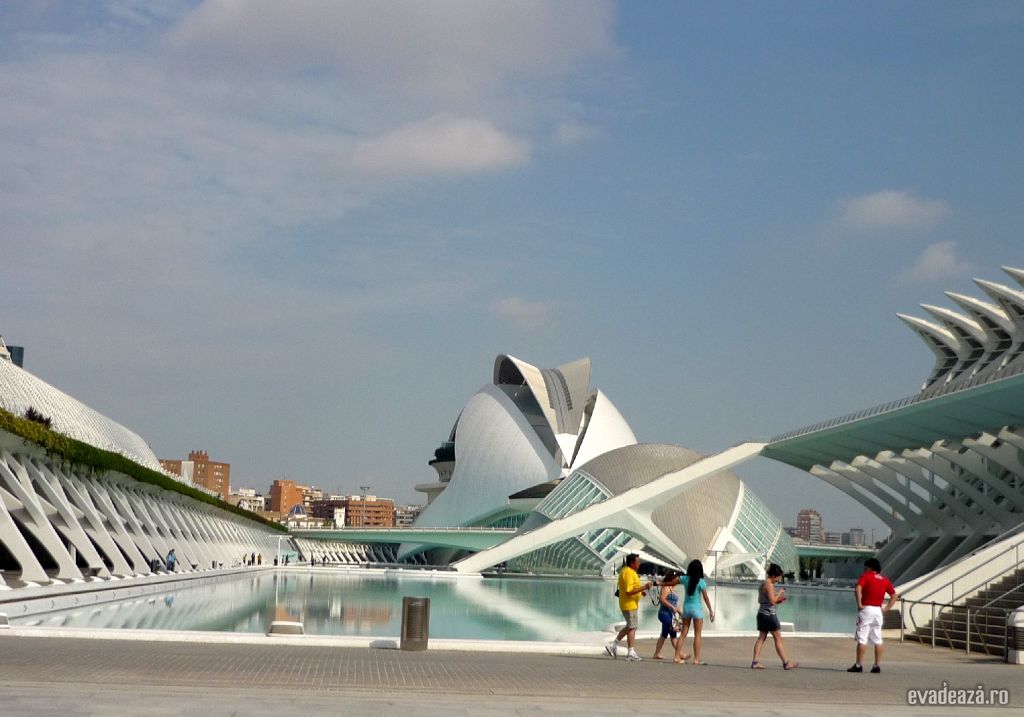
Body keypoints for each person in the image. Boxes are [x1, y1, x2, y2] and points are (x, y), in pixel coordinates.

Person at [848, 557, 899, 674]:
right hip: (878, 610)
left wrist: (859, 604)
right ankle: (876, 665)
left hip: (866, 609)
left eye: (865, 568)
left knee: (862, 638)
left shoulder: (865, 576)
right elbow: (894, 595)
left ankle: (858, 665)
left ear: (870, 568)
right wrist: (886, 608)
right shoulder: (884, 580)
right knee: (877, 638)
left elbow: (858, 589)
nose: (864, 570)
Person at [605, 553, 653, 662]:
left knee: (630, 626)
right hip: (629, 604)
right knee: (632, 627)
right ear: (632, 563)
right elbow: (628, 591)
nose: (639, 564)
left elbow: (633, 588)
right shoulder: (627, 573)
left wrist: (641, 592)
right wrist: (644, 587)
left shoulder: (630, 572)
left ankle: (614, 645)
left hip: (631, 604)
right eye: (637, 562)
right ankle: (630, 652)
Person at [751, 563, 798, 670]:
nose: (779, 579)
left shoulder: (763, 584)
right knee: (778, 637)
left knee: (762, 638)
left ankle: (755, 662)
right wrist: (780, 593)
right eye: (778, 577)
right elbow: (772, 600)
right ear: (774, 575)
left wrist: (778, 598)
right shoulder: (769, 584)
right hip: (769, 615)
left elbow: (761, 600)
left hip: (762, 614)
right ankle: (786, 663)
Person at [674, 559, 715, 665]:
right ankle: (696, 659)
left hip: (686, 609)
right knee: (697, 634)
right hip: (697, 610)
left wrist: (661, 583)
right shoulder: (701, 582)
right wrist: (710, 610)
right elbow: (706, 598)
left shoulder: (684, 579)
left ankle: (676, 656)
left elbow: (673, 581)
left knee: (683, 633)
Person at [652, 570, 681, 660]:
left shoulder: (671, 588)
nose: (679, 580)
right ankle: (680, 654)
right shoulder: (666, 587)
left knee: (664, 635)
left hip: (669, 614)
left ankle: (657, 653)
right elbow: (662, 599)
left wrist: (679, 611)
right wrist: (672, 607)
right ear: (673, 578)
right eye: (677, 578)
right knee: (673, 635)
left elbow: (674, 603)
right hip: (664, 614)